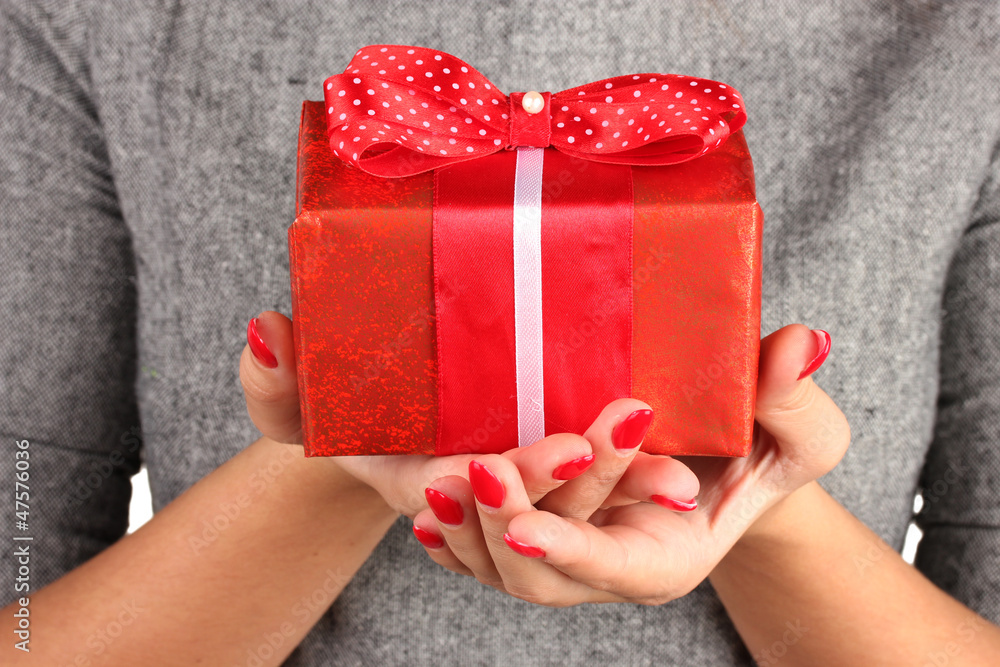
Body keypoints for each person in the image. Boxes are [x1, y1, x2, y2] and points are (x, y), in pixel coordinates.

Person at [2, 1, 999, 665]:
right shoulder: (93, 18)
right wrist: (342, 438)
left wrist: (764, 508)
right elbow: (24, 597)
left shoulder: (963, 38)